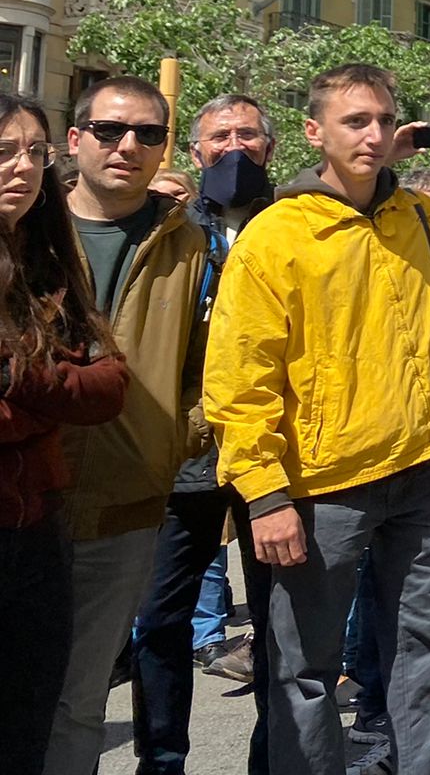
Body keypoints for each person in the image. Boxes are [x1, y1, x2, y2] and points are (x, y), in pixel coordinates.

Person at [205, 63, 430, 775]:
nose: (373, 135)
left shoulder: (427, 221)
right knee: (303, 669)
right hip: (319, 490)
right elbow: (242, 376)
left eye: (383, 121)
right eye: (355, 122)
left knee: (428, 653)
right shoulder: (276, 235)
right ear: (315, 132)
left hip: (426, 474)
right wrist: (265, 493)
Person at [46, 76, 212, 775]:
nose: (129, 146)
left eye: (148, 133)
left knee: (79, 699)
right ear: (76, 139)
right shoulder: (29, 227)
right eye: (111, 131)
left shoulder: (188, 243)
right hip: (23, 493)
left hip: (126, 507)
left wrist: (174, 441)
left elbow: (207, 372)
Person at [132, 93, 279, 775]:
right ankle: (162, 758)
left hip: (276, 460)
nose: (235, 146)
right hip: (185, 456)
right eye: (219, 136)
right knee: (161, 622)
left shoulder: (294, 225)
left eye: (248, 134)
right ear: (195, 152)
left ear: (271, 147)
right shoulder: (169, 231)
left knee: (284, 624)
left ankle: (272, 756)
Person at [0, 93, 128, 770]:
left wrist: (22, 381)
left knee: (28, 713)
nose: (22, 167)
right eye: (3, 152)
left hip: (36, 525)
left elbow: (109, 386)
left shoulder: (50, 262)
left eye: (34, 152)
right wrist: (49, 386)